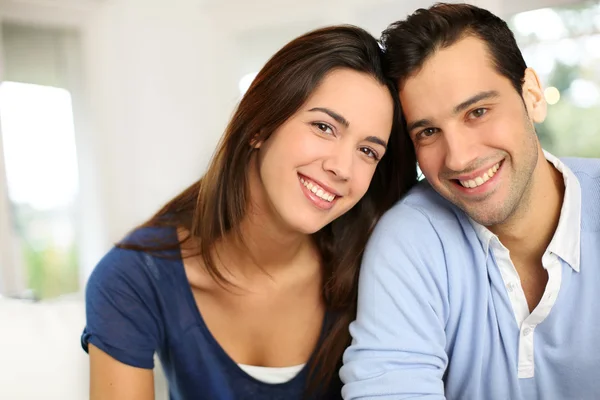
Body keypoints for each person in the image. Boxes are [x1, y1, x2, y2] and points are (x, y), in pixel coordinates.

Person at [81, 25, 417, 400]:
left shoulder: (373, 268)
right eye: (324, 127)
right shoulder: (134, 277)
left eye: (368, 151)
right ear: (260, 125)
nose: (343, 168)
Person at [341, 3, 600, 400]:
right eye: (428, 132)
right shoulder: (410, 239)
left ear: (532, 95)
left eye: (477, 111)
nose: (458, 158)